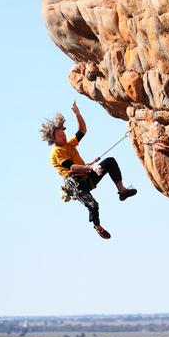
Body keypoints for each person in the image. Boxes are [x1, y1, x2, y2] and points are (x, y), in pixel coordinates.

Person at [41, 101, 137, 239]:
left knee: (110, 162)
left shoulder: (69, 144)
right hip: (76, 184)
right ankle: (98, 227)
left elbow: (82, 130)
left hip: (86, 176)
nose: (64, 136)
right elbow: (72, 167)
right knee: (93, 205)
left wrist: (78, 113)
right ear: (54, 139)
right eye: (61, 136)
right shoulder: (57, 152)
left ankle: (122, 191)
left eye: (64, 134)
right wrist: (91, 167)